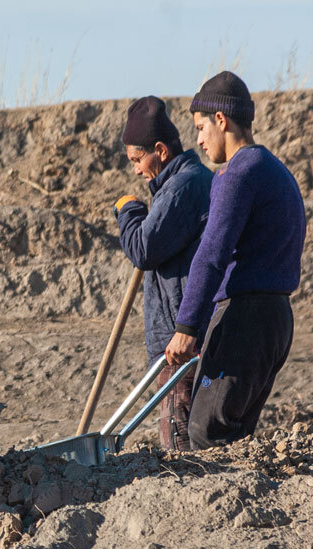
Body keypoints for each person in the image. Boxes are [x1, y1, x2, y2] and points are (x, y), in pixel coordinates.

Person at [164, 71, 305, 449]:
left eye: (200, 127)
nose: (198, 140)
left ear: (221, 120)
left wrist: (187, 326)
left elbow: (212, 254)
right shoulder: (275, 170)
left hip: (246, 319)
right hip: (276, 318)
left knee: (206, 432)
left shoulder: (237, 174)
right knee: (234, 438)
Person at [113, 97, 213, 450]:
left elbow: (143, 250)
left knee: (178, 442)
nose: (137, 171)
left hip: (180, 342)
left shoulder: (182, 187)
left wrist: (129, 212)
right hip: (176, 336)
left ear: (160, 150)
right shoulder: (180, 184)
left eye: (138, 160)